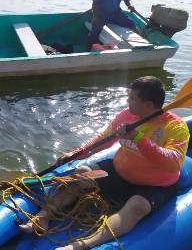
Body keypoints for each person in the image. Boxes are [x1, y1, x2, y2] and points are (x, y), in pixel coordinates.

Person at [19, 76, 190, 250]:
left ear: (147, 104)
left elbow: (173, 163)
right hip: (119, 172)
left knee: (137, 207)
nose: (127, 101)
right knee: (80, 173)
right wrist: (78, 153)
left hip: (153, 185)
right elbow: (105, 139)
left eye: (132, 98)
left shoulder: (176, 127)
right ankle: (44, 216)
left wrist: (139, 138)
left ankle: (81, 245)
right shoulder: (127, 115)